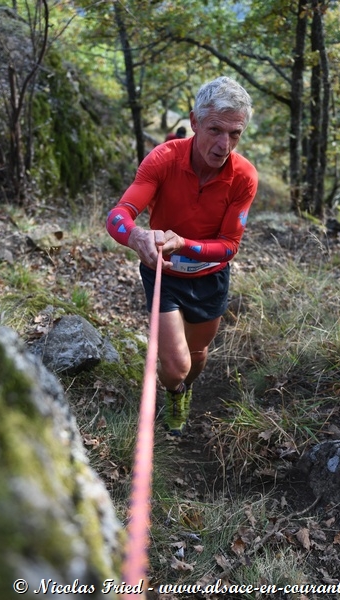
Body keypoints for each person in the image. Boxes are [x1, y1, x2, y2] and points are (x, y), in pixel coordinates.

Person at [106, 76, 258, 436]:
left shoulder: (244, 176)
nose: (224, 145)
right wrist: (136, 236)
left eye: (234, 134)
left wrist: (185, 243)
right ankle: (175, 394)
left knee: (198, 354)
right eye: (215, 130)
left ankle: (185, 389)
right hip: (165, 274)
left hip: (211, 277)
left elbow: (230, 245)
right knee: (176, 366)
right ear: (194, 122)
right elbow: (118, 216)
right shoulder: (164, 159)